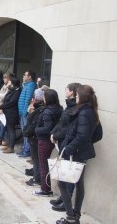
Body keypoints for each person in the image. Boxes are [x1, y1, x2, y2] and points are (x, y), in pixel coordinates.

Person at [55, 85, 99, 224]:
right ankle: (75, 217)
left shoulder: (85, 113)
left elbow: (82, 136)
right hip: (80, 152)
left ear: (80, 97)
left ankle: (71, 216)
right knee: (78, 184)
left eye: (77, 96)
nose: (76, 97)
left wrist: (68, 149)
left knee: (62, 183)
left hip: (76, 153)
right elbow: (96, 134)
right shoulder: (90, 111)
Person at [49, 83, 80, 212]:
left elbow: (68, 128)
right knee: (64, 173)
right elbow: (61, 123)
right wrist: (53, 133)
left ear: (72, 92)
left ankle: (66, 203)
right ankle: (62, 198)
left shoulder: (76, 109)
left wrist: (56, 135)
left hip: (69, 145)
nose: (65, 91)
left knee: (69, 175)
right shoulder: (69, 106)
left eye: (67, 89)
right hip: (62, 143)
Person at [33, 89, 63, 197]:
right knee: (45, 165)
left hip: (44, 140)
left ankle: (45, 189)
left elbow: (47, 128)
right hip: (51, 140)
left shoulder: (47, 111)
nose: (43, 99)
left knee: (43, 165)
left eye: (44, 97)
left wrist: (35, 130)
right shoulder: (60, 109)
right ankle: (46, 188)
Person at [24, 87, 46, 188]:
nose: (33, 99)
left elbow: (33, 123)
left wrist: (27, 132)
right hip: (35, 137)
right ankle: (36, 176)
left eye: (35, 97)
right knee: (36, 160)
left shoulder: (40, 109)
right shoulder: (39, 107)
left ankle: (37, 179)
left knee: (37, 160)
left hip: (35, 137)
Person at [0, 76, 21, 153]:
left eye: (10, 82)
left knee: (11, 130)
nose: (8, 83)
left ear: (13, 83)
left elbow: (12, 102)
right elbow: (4, 97)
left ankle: (11, 147)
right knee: (8, 130)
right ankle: (8, 145)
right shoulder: (12, 90)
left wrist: (2, 106)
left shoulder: (17, 91)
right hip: (7, 112)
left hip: (12, 113)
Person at [17, 70, 37, 157]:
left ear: (29, 77)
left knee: (26, 132)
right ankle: (25, 148)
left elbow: (27, 100)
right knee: (23, 131)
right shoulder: (26, 85)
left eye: (25, 75)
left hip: (25, 113)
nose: (23, 76)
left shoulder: (31, 85)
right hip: (22, 112)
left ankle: (26, 151)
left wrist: (24, 112)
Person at [0, 73, 13, 146]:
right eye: (3, 78)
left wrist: (1, 106)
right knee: (2, 123)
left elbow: (3, 96)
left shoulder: (10, 87)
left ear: (9, 79)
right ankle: (4, 139)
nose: (4, 79)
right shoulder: (4, 86)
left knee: (3, 124)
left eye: (5, 78)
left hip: (5, 107)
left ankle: (0, 139)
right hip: (0, 106)